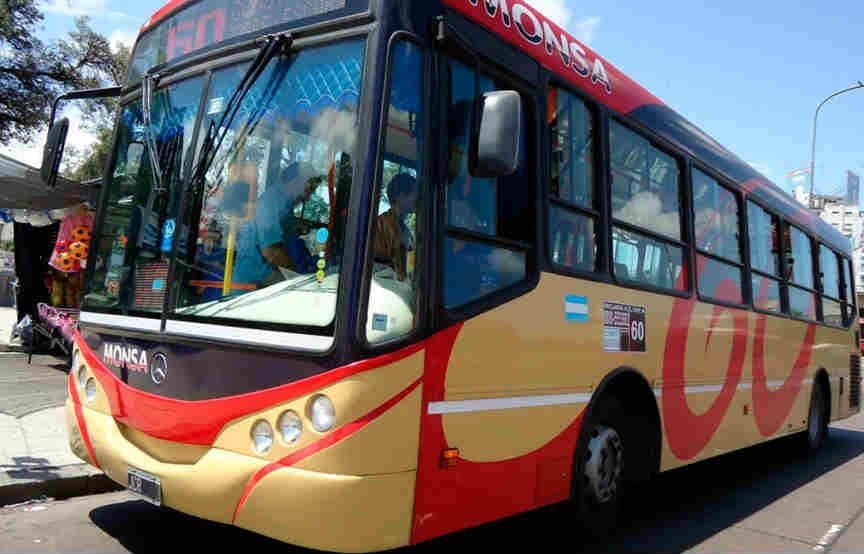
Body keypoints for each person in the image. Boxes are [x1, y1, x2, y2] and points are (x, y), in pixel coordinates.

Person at [231, 162, 319, 291]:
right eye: (307, 190)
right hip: (251, 290)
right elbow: (271, 251)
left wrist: (297, 228)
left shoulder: (283, 205)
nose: (307, 198)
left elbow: (281, 236)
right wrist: (298, 281)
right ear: (295, 182)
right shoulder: (271, 202)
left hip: (264, 284)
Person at [374, 173, 417, 281]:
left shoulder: (407, 233)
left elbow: (410, 268)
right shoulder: (379, 225)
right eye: (415, 194)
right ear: (401, 196)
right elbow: (377, 267)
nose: (417, 199)